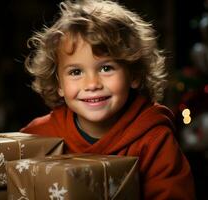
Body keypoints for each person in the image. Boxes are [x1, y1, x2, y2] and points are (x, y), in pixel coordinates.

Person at [21, 0, 195, 199]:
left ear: (134, 75)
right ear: (59, 84)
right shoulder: (40, 136)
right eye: (76, 71)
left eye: (106, 68)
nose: (92, 84)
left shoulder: (154, 140)